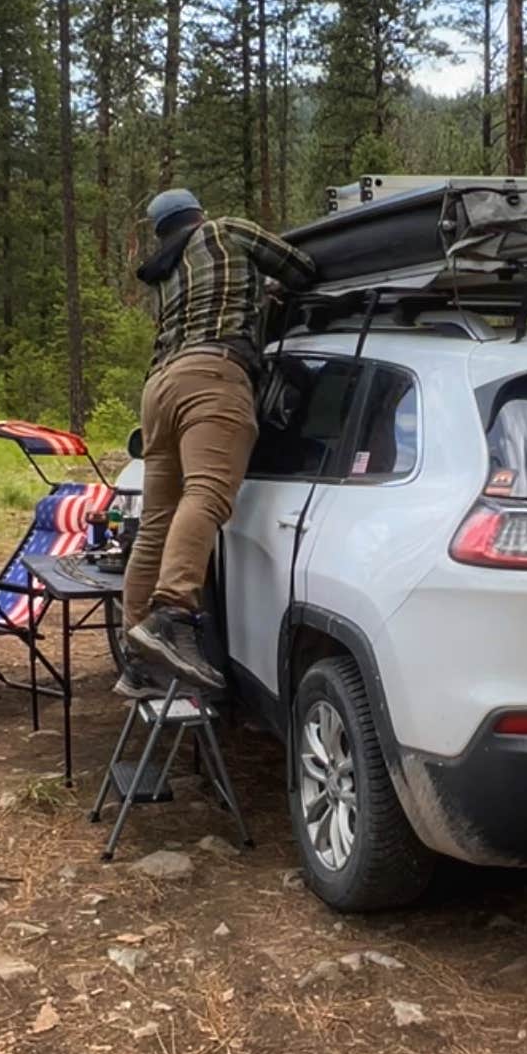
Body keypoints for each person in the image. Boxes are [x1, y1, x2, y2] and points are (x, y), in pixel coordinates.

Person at [117, 188, 318, 696]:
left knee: (156, 522)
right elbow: (301, 269)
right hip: (213, 374)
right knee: (207, 494)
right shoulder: (228, 230)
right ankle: (172, 612)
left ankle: (136, 658)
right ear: (197, 214)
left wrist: (257, 295)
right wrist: (272, 287)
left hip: (158, 388)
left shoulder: (165, 273)